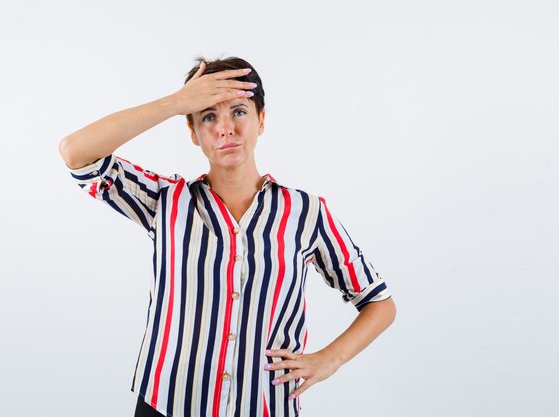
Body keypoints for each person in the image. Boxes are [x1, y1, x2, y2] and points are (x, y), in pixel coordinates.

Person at [59, 56, 396, 417]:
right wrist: (175, 103)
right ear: (193, 133)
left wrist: (330, 360)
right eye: (207, 117)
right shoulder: (165, 201)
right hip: (167, 405)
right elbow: (76, 153)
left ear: (261, 120)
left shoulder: (306, 213)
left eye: (238, 111)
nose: (225, 128)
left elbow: (379, 302)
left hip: (264, 407)